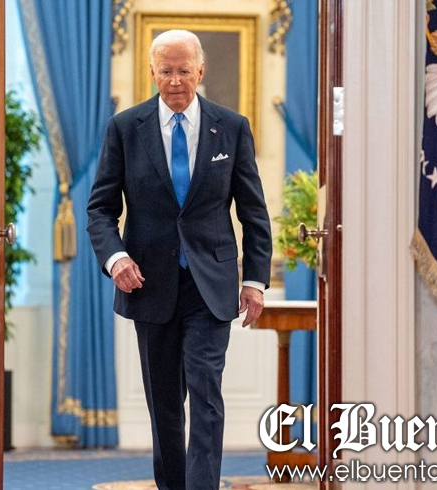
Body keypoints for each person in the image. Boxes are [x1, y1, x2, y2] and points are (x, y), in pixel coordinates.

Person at [87, 29, 272, 490]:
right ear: (151, 72)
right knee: (165, 405)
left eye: (184, 70)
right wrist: (116, 259)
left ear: (200, 71)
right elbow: (100, 209)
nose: (175, 80)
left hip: (210, 286)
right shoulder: (125, 128)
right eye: (165, 71)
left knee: (206, 396)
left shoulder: (232, 127)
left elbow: (253, 212)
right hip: (149, 284)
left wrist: (255, 281)